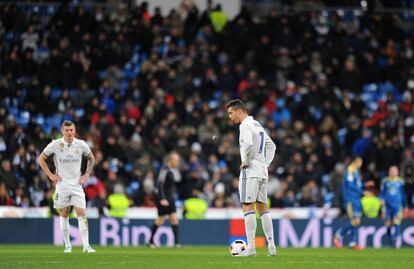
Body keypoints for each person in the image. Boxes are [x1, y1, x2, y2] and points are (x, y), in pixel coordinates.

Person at [226, 99, 277, 256]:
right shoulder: (257, 125)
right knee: (262, 208)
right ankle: (272, 247)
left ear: (239, 111)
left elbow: (247, 145)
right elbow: (272, 146)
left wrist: (246, 162)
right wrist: (264, 163)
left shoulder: (245, 125)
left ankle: (251, 248)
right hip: (262, 171)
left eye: (230, 113)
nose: (230, 117)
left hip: (250, 171)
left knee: (248, 207)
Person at [37, 120, 96, 253]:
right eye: (66, 130)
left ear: (74, 131)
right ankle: (67, 246)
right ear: (62, 131)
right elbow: (41, 159)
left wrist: (87, 175)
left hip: (77, 185)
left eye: (71, 130)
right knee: (64, 213)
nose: (69, 132)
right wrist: (51, 175)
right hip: (62, 185)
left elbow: (91, 158)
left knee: (81, 212)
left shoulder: (81, 144)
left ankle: (86, 246)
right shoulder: (55, 144)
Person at [147, 152, 181, 248]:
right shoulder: (164, 170)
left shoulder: (171, 171)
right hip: (164, 197)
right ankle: (150, 241)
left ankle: (177, 243)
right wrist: (162, 198)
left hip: (170, 197)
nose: (178, 162)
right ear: (170, 160)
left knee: (174, 219)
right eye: (176, 160)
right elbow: (160, 184)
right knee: (160, 220)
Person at [334, 156, 367, 250]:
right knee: (355, 220)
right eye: (360, 162)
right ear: (356, 161)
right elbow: (350, 185)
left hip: (356, 199)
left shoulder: (355, 171)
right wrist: (363, 192)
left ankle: (353, 243)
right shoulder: (350, 170)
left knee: (356, 221)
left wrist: (365, 185)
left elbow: (357, 185)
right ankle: (338, 235)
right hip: (350, 199)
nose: (361, 164)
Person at [380, 166, 408, 248]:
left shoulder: (400, 181)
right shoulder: (385, 181)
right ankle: (390, 240)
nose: (392, 172)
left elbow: (403, 194)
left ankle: (395, 241)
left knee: (396, 222)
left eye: (394, 171)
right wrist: (381, 199)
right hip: (387, 206)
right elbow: (382, 193)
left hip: (397, 206)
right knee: (387, 224)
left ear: (397, 172)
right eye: (391, 171)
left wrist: (405, 205)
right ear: (389, 172)